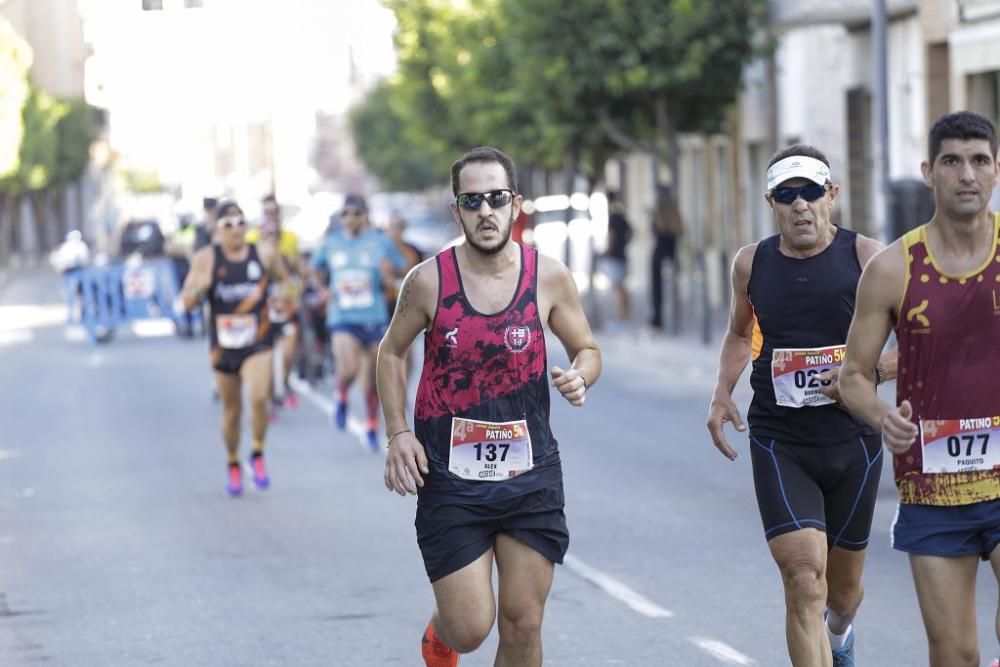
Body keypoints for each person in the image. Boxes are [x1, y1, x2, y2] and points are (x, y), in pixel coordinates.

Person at [377, 146, 601, 667]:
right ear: (456, 211)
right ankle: (441, 638)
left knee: (523, 624)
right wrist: (397, 433)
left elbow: (587, 348)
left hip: (530, 474)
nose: (485, 211)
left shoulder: (548, 276)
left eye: (496, 198)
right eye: (472, 201)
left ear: (516, 204)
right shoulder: (429, 280)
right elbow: (391, 351)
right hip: (451, 479)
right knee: (471, 627)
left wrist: (580, 376)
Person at [707, 144, 897, 667]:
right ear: (772, 202)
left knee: (842, 595)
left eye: (811, 192)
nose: (800, 205)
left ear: (831, 195)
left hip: (854, 440)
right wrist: (723, 389)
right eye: (787, 195)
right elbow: (737, 333)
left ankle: (840, 636)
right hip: (780, 440)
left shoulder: (869, 258)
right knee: (803, 576)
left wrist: (868, 374)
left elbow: (920, 341)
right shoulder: (751, 263)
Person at [839, 111, 1000, 667]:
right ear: (929, 172)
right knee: (955, 655)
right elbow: (853, 375)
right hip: (933, 488)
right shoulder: (891, 269)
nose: (967, 174)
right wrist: (882, 417)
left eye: (979, 160)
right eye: (952, 161)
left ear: (996, 171)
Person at [179, 199, 288, 496]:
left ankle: (257, 453)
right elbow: (186, 301)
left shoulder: (263, 254)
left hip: (258, 341)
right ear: (217, 229)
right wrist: (200, 290)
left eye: (241, 222)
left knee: (258, 397)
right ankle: (233, 462)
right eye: (229, 225)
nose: (236, 230)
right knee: (232, 410)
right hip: (224, 346)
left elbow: (285, 280)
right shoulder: (206, 259)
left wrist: (282, 298)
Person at [311, 194, 406, 451]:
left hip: (373, 317)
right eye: (345, 213)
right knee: (350, 368)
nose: (350, 218)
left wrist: (389, 273)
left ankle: (372, 425)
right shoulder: (331, 243)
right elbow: (313, 267)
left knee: (374, 380)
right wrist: (321, 288)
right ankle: (341, 395)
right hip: (342, 317)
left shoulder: (380, 242)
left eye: (355, 213)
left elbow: (402, 267)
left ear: (365, 215)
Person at [247, 194, 302, 412]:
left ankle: (285, 382)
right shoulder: (250, 240)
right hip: (259, 311)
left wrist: (293, 296)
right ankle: (268, 398)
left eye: (273, 212)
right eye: (266, 212)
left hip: (284, 306)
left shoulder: (290, 239)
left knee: (287, 353)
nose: (270, 216)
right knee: (265, 357)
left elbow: (295, 275)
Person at [649, 184, 682, 331]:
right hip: (671, 257)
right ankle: (673, 319)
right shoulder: (675, 215)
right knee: (672, 289)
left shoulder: (657, 216)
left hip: (658, 258)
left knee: (657, 290)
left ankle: (658, 320)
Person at [602, 191, 632, 324]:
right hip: (621, 254)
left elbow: (611, 235)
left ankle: (621, 316)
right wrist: (624, 243)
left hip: (615, 255)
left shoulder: (613, 217)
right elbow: (631, 232)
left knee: (618, 287)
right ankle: (624, 314)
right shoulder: (621, 215)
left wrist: (609, 249)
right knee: (621, 287)